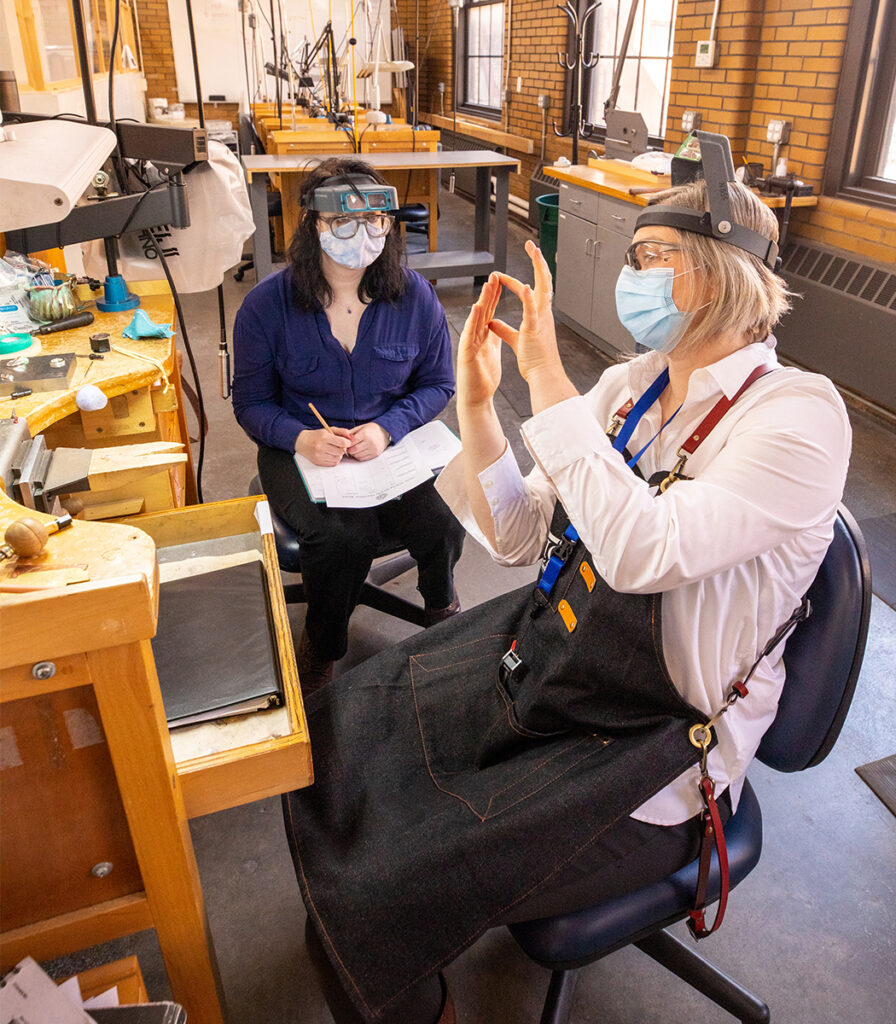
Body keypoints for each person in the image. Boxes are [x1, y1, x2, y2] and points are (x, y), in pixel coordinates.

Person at [281, 171, 851, 1024]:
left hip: (658, 743)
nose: (635, 275)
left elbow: (641, 550)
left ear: (722, 270)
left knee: (389, 876)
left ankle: (394, 975)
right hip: (568, 657)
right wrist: (479, 407)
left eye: (655, 256)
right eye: (635, 256)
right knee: (340, 723)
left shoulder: (799, 418)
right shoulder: (633, 387)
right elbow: (515, 534)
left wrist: (544, 376)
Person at [232, 158, 466, 690]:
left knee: (445, 517)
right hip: (300, 449)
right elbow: (250, 403)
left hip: (387, 449)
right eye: (343, 222)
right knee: (342, 539)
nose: (361, 235)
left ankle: (441, 609)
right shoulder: (267, 306)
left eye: (375, 222)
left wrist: (388, 427)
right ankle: (324, 641)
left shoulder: (415, 298)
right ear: (314, 225)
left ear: (389, 223)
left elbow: (437, 385)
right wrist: (300, 437)